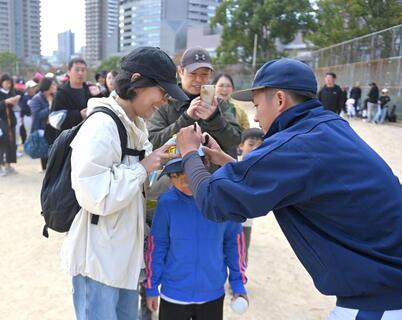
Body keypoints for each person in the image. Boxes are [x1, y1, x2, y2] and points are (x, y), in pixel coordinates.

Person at [175, 58, 402, 320]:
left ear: (280, 100)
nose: (256, 116)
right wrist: (229, 163)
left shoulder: (296, 145)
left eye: (258, 105)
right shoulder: (325, 128)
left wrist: (189, 152)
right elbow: (286, 178)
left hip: (381, 301)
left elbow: (214, 201)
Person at [61, 46, 189, 320]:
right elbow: (95, 196)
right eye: (162, 92)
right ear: (136, 81)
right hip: (99, 263)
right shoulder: (102, 126)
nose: (164, 101)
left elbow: (148, 160)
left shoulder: (133, 124)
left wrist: (177, 146)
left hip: (121, 258)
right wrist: (143, 168)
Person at [144, 148, 247, 320]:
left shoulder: (222, 201)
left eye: (186, 170)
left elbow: (234, 245)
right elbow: (157, 246)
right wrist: (151, 287)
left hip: (212, 294)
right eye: (174, 174)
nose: (182, 180)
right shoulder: (166, 203)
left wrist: (238, 284)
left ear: (203, 164)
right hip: (173, 294)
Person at [148, 47, 241, 157]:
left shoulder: (218, 104)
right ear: (180, 71)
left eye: (204, 74)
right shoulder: (165, 103)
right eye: (193, 73)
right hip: (177, 172)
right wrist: (186, 118)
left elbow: (235, 141)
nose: (198, 79)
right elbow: (152, 143)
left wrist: (214, 118)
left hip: (215, 173)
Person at [238, 128, 264, 265]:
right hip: (225, 220)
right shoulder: (231, 165)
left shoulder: (262, 171)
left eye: (260, 146)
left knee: (242, 249)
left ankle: (239, 280)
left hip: (245, 221)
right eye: (251, 144)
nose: (255, 149)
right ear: (241, 145)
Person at [29, 77, 57, 172]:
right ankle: (45, 169)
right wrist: (50, 106)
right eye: (53, 84)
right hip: (42, 128)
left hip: (54, 127)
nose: (55, 86)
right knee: (44, 149)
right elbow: (37, 115)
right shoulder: (36, 99)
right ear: (47, 86)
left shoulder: (55, 96)